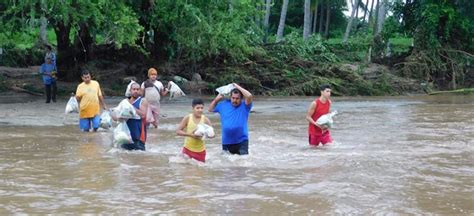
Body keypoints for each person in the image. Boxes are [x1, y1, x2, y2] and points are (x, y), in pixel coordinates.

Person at [208, 83, 253, 155]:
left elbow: (249, 96)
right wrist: (216, 100)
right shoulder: (223, 104)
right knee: (227, 164)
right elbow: (210, 109)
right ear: (230, 97)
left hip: (242, 141)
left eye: (237, 98)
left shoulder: (245, 106)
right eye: (233, 98)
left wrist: (236, 86)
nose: (235, 100)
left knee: (243, 162)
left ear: (241, 98)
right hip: (226, 142)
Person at [122, 82, 149, 151]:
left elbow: (143, 114)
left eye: (137, 89)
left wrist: (131, 107)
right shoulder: (125, 101)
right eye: (134, 89)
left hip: (139, 133)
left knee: (140, 156)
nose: (136, 91)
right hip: (126, 134)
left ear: (140, 91)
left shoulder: (143, 101)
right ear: (130, 90)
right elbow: (117, 117)